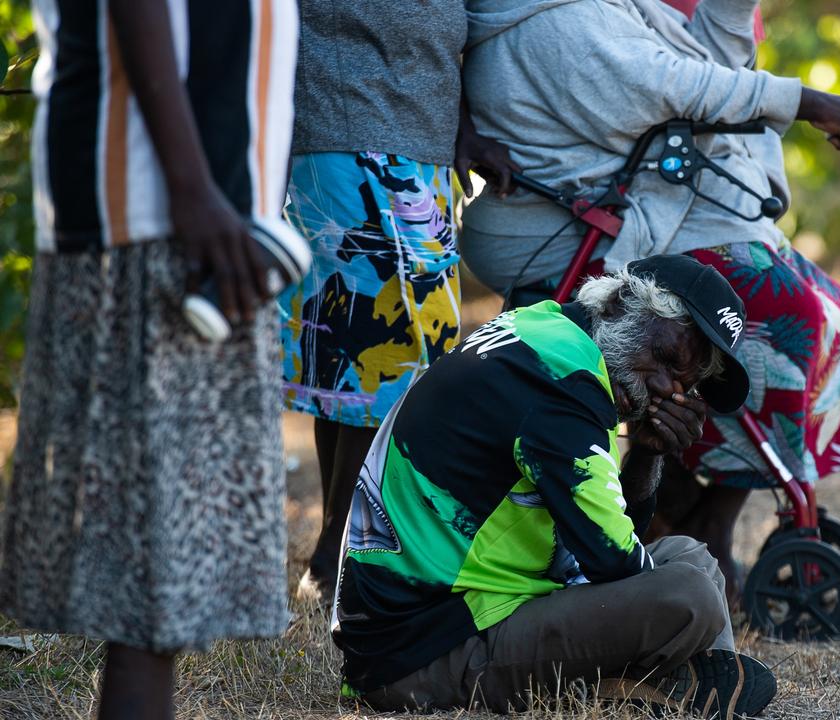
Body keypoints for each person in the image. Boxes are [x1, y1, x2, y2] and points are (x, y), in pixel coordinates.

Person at [459, 0, 840, 602]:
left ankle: (695, 509)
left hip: (637, 216)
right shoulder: (549, 21)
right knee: (795, 316)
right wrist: (810, 102)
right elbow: (673, 88)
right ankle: (705, 519)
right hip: (569, 229)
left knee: (832, 308)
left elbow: (709, 58)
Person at [0, 1, 298, 719]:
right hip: (156, 210)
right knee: (150, 587)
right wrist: (194, 192)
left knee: (157, 593)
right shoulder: (176, 207)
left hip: (201, 210)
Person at [331, 256, 774, 717]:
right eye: (664, 359)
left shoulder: (544, 331)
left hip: (467, 606)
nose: (665, 390)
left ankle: (702, 684)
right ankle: (685, 685)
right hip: (421, 651)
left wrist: (648, 452)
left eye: (685, 383)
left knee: (692, 558)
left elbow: (611, 544)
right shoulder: (563, 384)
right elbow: (616, 566)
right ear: (620, 304)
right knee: (690, 595)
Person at [283, 0, 520, 603]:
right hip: (346, 139)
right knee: (375, 352)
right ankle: (343, 549)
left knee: (365, 357)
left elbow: (447, 43)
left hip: (424, 156)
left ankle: (340, 546)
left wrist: (463, 131)